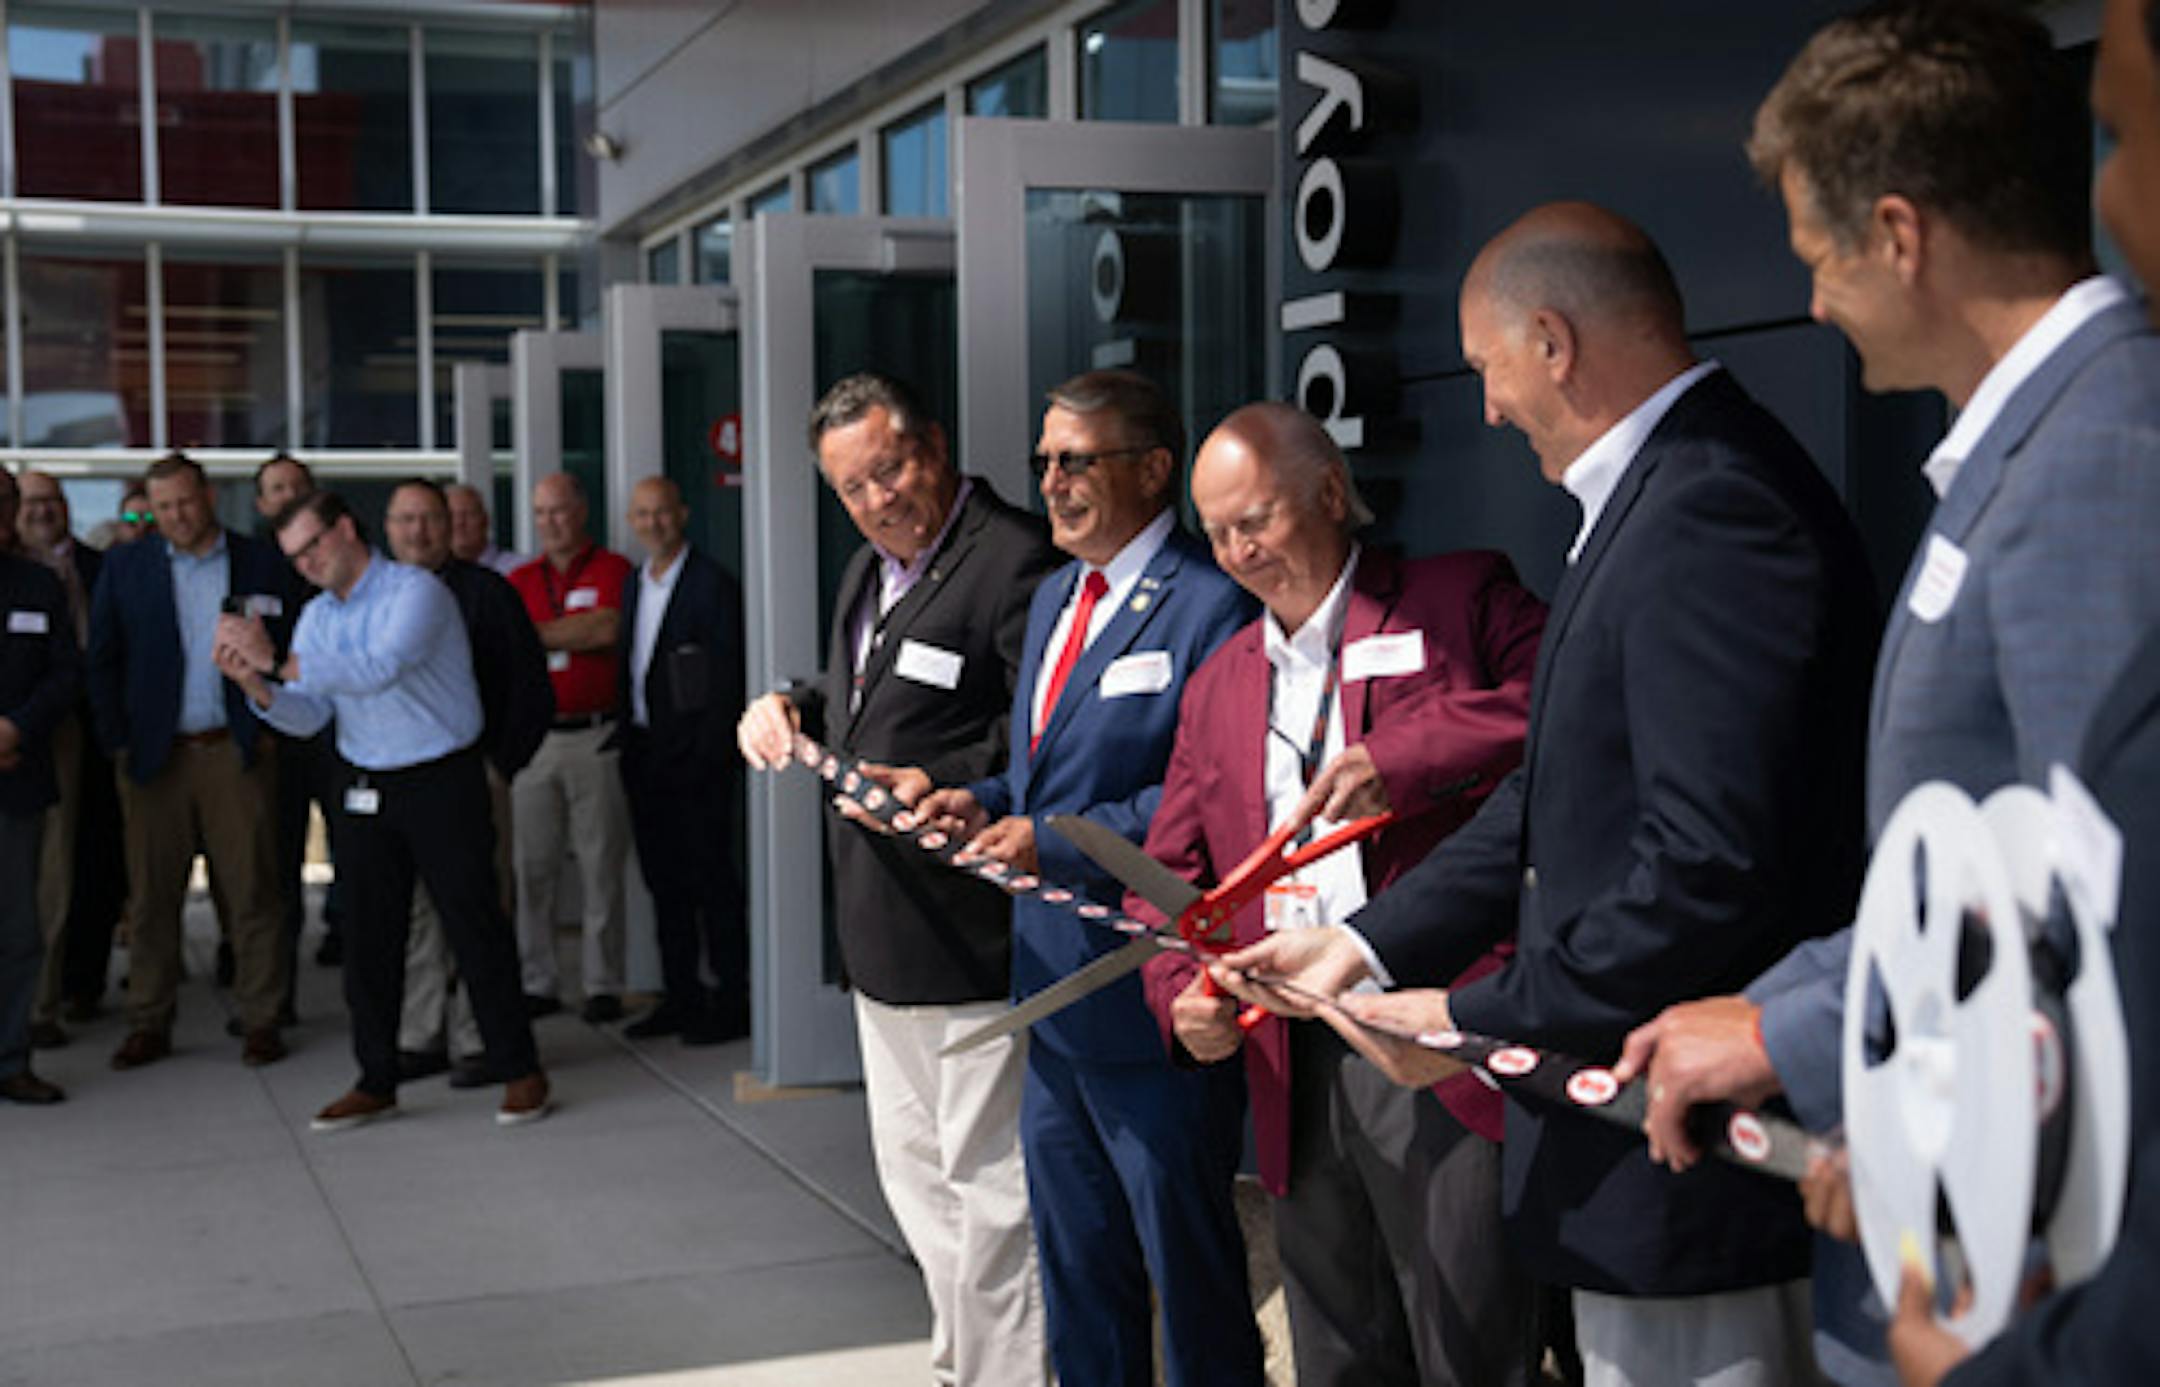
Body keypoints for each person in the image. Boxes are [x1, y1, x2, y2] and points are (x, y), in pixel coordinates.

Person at [1228, 203, 1879, 1387]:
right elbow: (1549, 797)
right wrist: (1366, 946)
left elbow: (1707, 867)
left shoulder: (1712, 507)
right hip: (1633, 1158)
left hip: (1695, 1176)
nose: (1486, 406)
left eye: (1488, 368)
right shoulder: (1653, 498)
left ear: (1552, 342)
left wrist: (1477, 1020)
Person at [1611, 7, 2160, 1379]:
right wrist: (1788, 1016)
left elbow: (2101, 909)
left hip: (2032, 1272)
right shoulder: (2028, 449)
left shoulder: (2097, 459)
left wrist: (1817, 1039)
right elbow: (1982, 852)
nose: (1812, 303)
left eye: (1819, 257)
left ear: (1902, 235)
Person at [1132, 401, 1548, 1387]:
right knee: (1336, 1352)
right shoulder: (1219, 683)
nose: (1237, 552)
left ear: (1328, 492)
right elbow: (1166, 881)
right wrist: (1181, 997)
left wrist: (1405, 755)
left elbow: (1566, 701)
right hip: (1292, 1052)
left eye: (1256, 520)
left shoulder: (1455, 597)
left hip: (1428, 1030)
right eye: (1217, 532)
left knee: (1469, 1346)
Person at [895, 370, 1262, 1387]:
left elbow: (1214, 796)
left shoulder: (1213, 602)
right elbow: (1045, 772)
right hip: (1053, 998)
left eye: (1076, 461)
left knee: (1190, 1284)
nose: (1050, 482)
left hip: (1152, 1003)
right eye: (1044, 460)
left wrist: (1048, 840)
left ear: (1153, 468)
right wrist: (978, 800)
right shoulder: (1059, 593)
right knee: (1079, 1280)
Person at [737, 372, 1059, 1387]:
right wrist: (791, 704)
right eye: (854, 487)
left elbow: (1042, 731)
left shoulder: (1015, 557)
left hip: (973, 935)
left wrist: (943, 777)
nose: (880, 499)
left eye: (893, 468)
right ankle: (965, 1363)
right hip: (884, 937)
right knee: (918, 1182)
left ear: (937, 445)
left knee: (993, 1190)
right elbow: (864, 697)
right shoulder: (869, 568)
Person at [214, 489, 548, 1130]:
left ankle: (520, 1069)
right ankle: (376, 1079)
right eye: (295, 556)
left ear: (345, 529)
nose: (306, 563)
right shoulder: (317, 616)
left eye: (313, 546)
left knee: (474, 927)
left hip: (441, 779)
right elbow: (311, 714)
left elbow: (379, 667)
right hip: (367, 780)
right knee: (370, 940)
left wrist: (277, 660)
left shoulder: (415, 592)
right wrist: (256, 684)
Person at [87, 454, 299, 1070]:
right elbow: (102, 659)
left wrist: (270, 726)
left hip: (236, 751)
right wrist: (117, 741)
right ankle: (148, 1021)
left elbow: (293, 645)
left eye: (184, 501)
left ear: (207, 496)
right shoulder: (126, 566)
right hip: (156, 759)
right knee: (152, 899)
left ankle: (262, 1017)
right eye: (163, 507)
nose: (176, 515)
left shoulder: (261, 561)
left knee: (253, 891)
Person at [380, 479, 552, 1086]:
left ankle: (482, 1038)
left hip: (476, 776)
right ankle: (421, 1034)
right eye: (406, 520)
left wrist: (501, 766)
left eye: (430, 519)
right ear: (388, 528)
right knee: (419, 912)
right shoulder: (375, 596)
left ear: (450, 527)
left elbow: (531, 689)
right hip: (401, 780)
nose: (418, 532)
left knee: (481, 909)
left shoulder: (487, 593)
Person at [615, 477, 748, 1045]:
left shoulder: (711, 584)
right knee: (664, 884)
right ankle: (681, 997)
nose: (653, 523)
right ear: (632, 521)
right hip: (645, 754)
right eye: (643, 514)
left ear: (684, 514)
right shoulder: (633, 583)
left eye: (663, 512)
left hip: (698, 760)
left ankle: (731, 1000)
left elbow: (726, 677)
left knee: (711, 881)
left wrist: (707, 753)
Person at [507, 473, 634, 1022]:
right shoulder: (520, 579)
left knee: (601, 866)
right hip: (536, 743)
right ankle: (537, 981)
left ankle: (603, 983)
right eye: (541, 513)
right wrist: (570, 629)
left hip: (595, 737)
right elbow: (510, 645)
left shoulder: (612, 570)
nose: (550, 522)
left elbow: (606, 630)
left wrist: (535, 633)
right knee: (531, 869)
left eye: (559, 511)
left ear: (581, 511)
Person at [15, 472, 116, 1048]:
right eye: (31, 502)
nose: (42, 511)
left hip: (62, 732)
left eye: (52, 501)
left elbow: (69, 665)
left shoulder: (69, 575)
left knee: (59, 871)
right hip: (21, 732)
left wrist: (19, 726)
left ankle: (43, 1004)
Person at [0, 468, 79, 1105]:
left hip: (16, 778)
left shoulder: (38, 584)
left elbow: (65, 675)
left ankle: (10, 1059)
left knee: (19, 933)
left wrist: (16, 728)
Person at [448, 483, 525, 577]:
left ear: (486, 520)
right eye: (451, 516)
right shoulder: (436, 574)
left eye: (468, 514)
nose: (458, 522)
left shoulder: (519, 569)